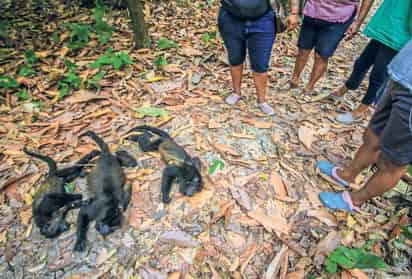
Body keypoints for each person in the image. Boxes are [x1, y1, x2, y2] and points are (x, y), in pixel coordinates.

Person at [317, 39, 412, 212]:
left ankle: (355, 199)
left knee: (393, 161)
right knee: (372, 134)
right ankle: (347, 174)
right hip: (402, 74)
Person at [332, 0, 412, 124]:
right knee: (361, 64)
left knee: (378, 75)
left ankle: (360, 111)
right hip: (384, 29)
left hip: (398, 37)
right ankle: (342, 91)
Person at [218, 0, 300, 116]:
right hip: (231, 18)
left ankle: (262, 101)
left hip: (263, 19)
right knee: (235, 58)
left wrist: (294, 12)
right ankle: (236, 92)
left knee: (261, 64)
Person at [289, 0, 374, 95]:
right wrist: (294, 11)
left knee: (322, 55)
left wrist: (358, 22)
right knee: (303, 50)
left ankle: (310, 86)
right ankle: (294, 79)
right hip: (313, 10)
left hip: (341, 16)